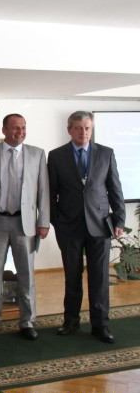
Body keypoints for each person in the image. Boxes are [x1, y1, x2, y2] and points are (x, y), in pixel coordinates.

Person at [48, 111, 125, 343]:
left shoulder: (106, 153)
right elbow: (51, 193)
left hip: (100, 225)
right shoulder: (56, 156)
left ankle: (100, 325)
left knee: (99, 277)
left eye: (88, 128)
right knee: (72, 276)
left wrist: (119, 220)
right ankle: (71, 321)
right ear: (69, 129)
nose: (84, 132)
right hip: (69, 226)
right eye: (79, 128)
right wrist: (56, 221)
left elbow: (115, 189)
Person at [0, 113, 50, 341]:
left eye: (23, 128)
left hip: (24, 223)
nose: (20, 132)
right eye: (16, 128)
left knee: (26, 275)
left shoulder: (37, 154)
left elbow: (43, 190)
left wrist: (43, 222)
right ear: (4, 130)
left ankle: (27, 321)